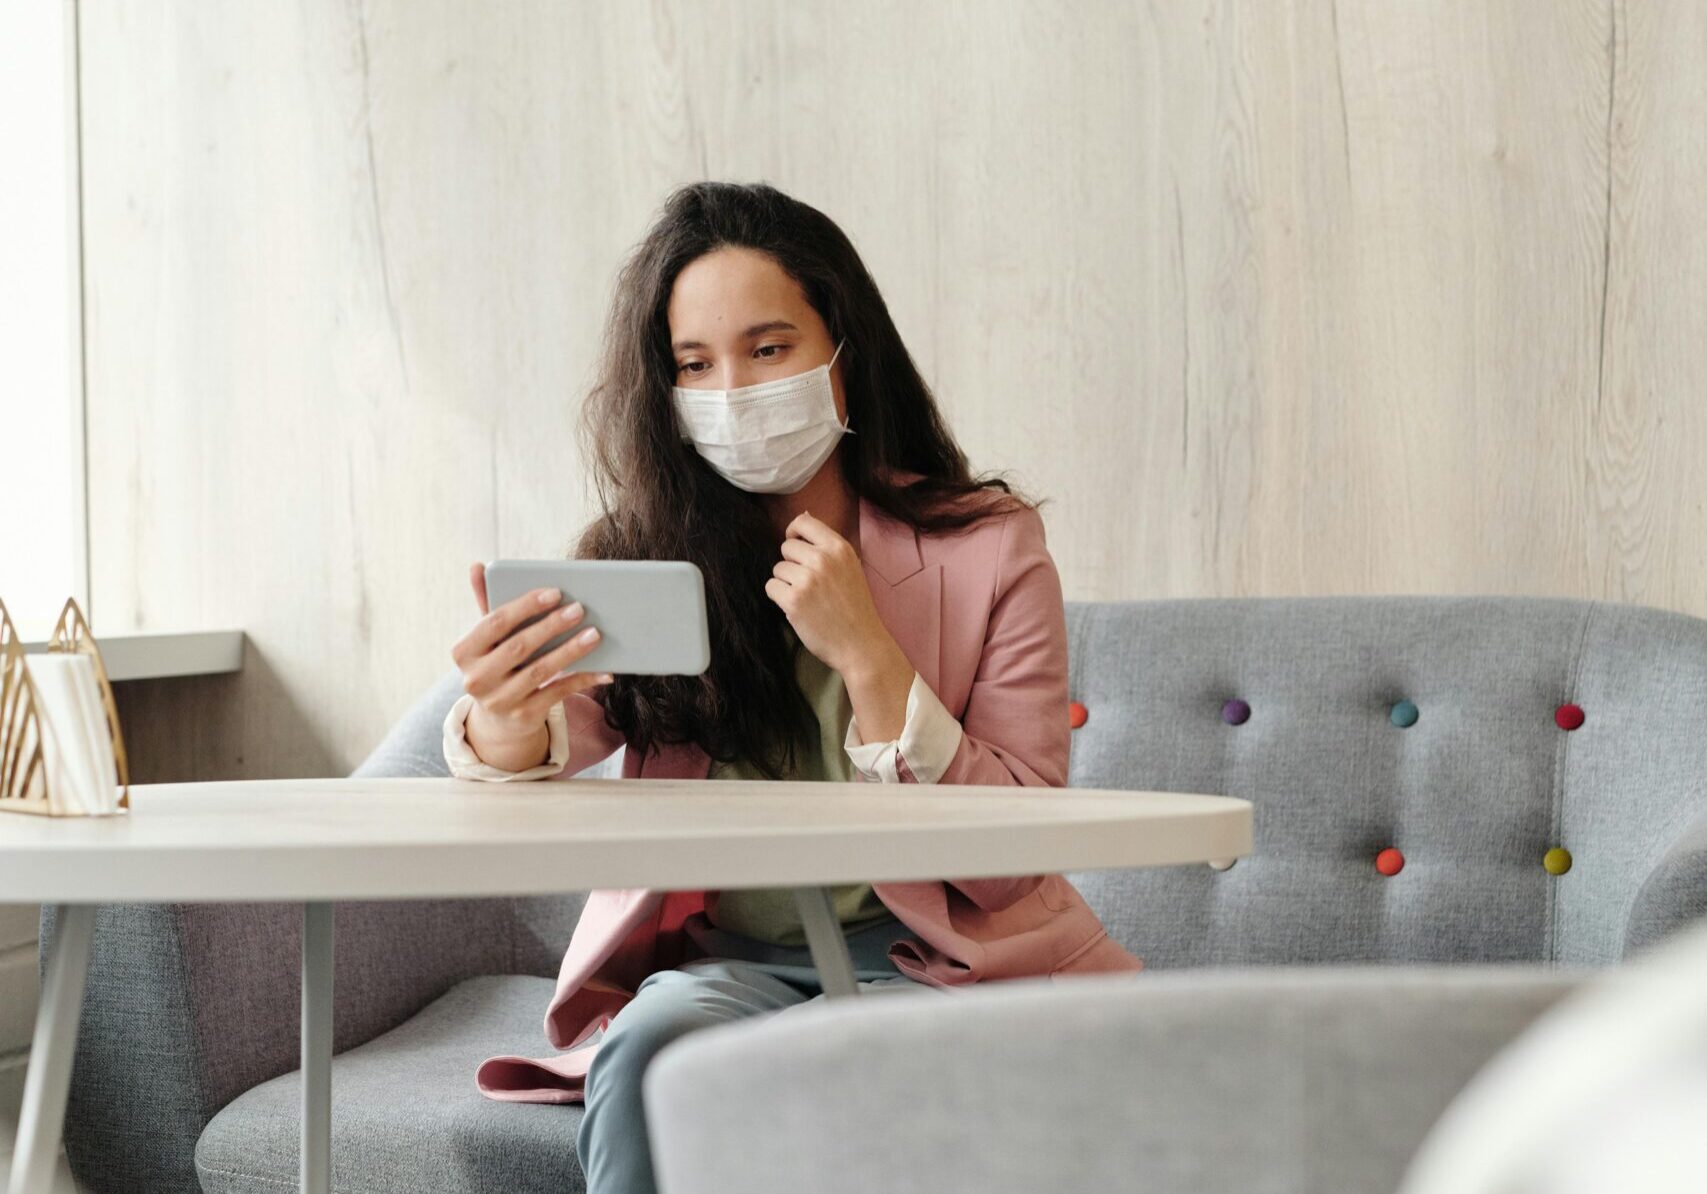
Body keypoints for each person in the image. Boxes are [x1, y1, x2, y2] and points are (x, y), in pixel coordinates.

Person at [444, 180, 1141, 1194]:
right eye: (694, 364)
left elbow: (1017, 843)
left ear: (844, 357)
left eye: (768, 350)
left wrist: (871, 658)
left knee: (851, 1074)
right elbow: (559, 731)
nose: (731, 392)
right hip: (731, 963)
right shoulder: (646, 562)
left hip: (941, 958)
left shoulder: (989, 546)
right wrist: (505, 716)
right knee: (650, 1053)